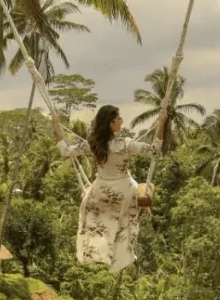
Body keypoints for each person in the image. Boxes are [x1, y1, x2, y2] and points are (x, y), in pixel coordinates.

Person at [54, 105, 165, 274]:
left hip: (100, 189)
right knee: (126, 213)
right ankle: (119, 250)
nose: (121, 121)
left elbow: (64, 150)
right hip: (124, 188)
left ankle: (100, 248)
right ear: (111, 124)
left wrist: (56, 126)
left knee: (89, 204)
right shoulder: (125, 144)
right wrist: (162, 123)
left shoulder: (92, 144)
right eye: (118, 119)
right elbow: (154, 149)